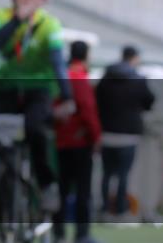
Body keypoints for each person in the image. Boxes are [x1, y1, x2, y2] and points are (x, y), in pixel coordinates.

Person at [0, 0, 73, 212]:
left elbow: (58, 63)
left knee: (36, 132)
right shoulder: (2, 16)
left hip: (38, 92)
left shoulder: (49, 23)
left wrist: (67, 97)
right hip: (7, 89)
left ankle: (47, 185)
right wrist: (18, 18)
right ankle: (4, 193)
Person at [94, 45, 155, 220]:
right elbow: (149, 102)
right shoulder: (138, 80)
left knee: (107, 174)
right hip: (129, 135)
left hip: (106, 133)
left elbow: (96, 100)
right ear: (134, 58)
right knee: (123, 174)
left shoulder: (105, 79)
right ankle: (120, 211)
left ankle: (105, 210)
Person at [53, 40, 102, 243]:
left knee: (62, 190)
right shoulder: (79, 78)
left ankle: (58, 234)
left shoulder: (61, 76)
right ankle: (82, 234)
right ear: (86, 55)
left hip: (61, 142)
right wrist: (96, 137)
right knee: (83, 191)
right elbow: (88, 110)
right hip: (80, 143)